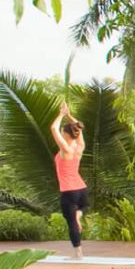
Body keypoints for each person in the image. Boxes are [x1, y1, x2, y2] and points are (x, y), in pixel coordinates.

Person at [52, 103, 89, 260]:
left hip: (69, 191)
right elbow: (78, 129)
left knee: (71, 222)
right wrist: (69, 115)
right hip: (81, 189)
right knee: (84, 207)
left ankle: (78, 253)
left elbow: (53, 128)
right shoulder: (80, 146)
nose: (61, 134)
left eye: (63, 132)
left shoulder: (65, 149)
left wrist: (61, 114)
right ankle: (79, 215)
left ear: (66, 135)